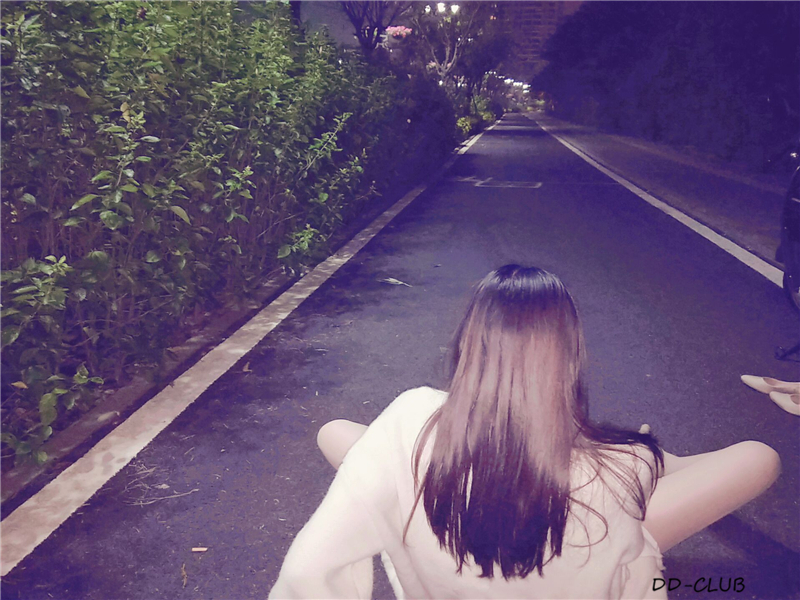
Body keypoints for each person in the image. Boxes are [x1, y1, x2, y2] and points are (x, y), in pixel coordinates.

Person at [269, 265, 781, 599]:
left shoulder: (410, 416)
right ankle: (663, 458)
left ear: (469, 347)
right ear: (570, 357)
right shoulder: (620, 469)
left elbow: (307, 570)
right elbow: (636, 583)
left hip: (447, 493)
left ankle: (648, 456)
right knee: (757, 457)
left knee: (342, 435)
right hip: (593, 505)